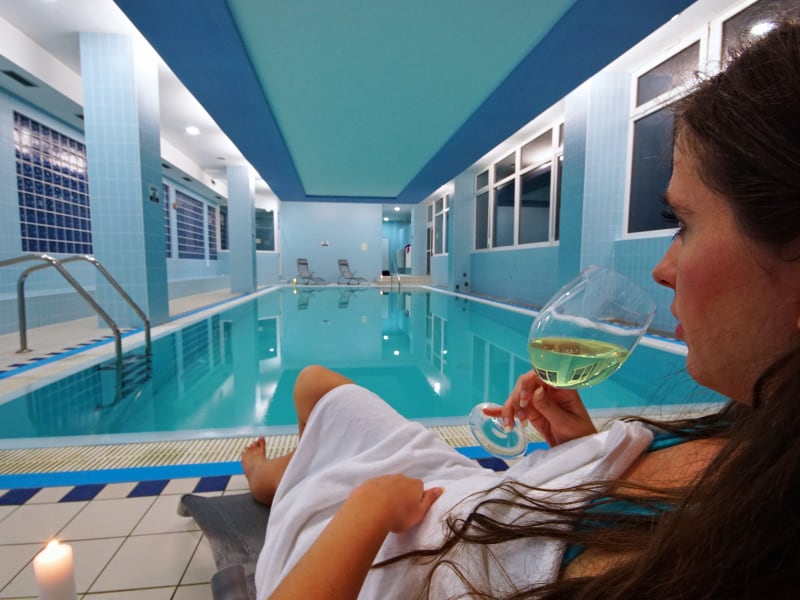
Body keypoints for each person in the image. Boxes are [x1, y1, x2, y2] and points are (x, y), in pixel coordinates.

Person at [242, 20, 800, 599]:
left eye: (682, 222)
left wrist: (370, 507)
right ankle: (294, 475)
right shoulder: (760, 451)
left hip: (385, 535)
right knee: (317, 388)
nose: (662, 268)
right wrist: (581, 450)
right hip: (471, 494)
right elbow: (571, 524)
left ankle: (278, 485)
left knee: (322, 403)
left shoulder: (708, 566)